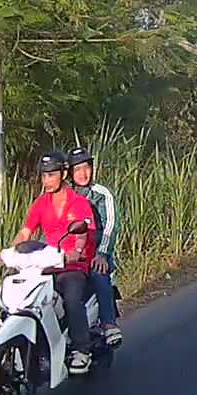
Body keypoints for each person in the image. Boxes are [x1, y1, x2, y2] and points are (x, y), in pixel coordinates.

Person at [7, 152, 98, 374]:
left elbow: (83, 234)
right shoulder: (40, 204)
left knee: (72, 299)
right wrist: (11, 251)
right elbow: (26, 231)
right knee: (25, 299)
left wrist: (76, 252)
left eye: (51, 175)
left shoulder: (78, 203)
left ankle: (82, 349)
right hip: (47, 264)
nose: (46, 180)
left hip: (73, 266)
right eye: (44, 176)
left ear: (63, 175)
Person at [67, 147, 123, 348]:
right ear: (70, 173)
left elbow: (111, 225)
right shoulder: (65, 196)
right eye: (77, 169)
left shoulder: (101, 193)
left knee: (99, 273)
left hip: (97, 251)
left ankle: (108, 323)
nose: (83, 173)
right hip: (72, 254)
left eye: (86, 167)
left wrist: (102, 254)